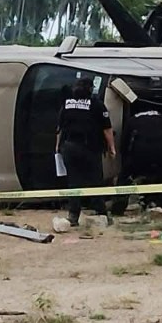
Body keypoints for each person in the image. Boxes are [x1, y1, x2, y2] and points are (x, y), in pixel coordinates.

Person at [55, 77, 116, 226]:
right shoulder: (96, 104)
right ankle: (101, 213)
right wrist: (112, 148)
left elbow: (59, 129)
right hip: (89, 148)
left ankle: (73, 215)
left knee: (73, 182)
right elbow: (107, 129)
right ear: (91, 89)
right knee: (95, 180)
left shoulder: (67, 104)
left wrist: (57, 147)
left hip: (69, 147)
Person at [112, 102, 162, 215]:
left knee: (124, 178)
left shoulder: (132, 120)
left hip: (141, 152)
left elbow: (125, 142)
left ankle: (118, 208)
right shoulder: (161, 117)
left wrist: (124, 161)